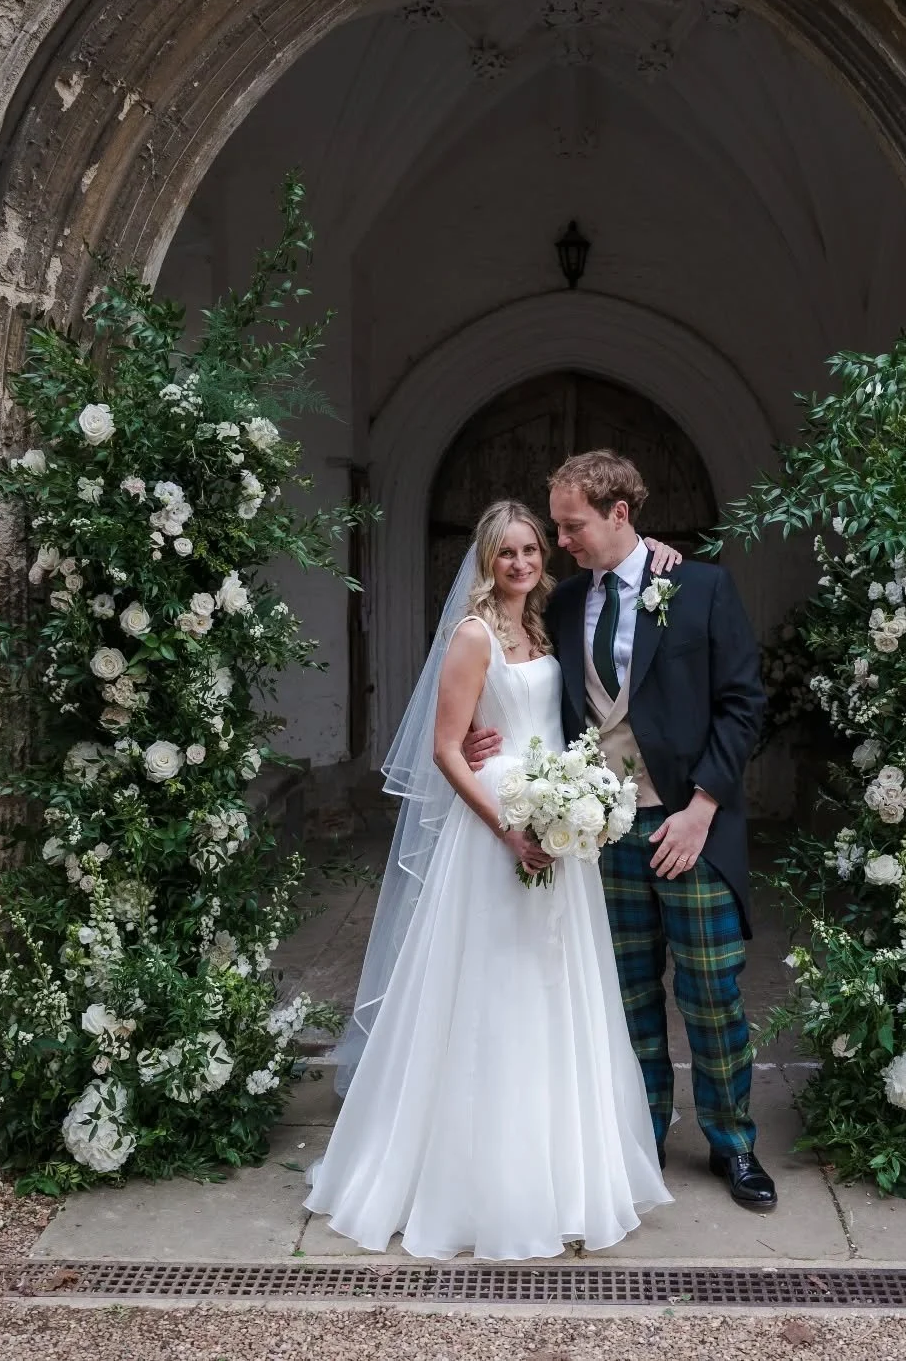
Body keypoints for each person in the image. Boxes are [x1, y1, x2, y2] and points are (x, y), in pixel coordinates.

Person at [303, 500, 677, 1260]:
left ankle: (564, 1172)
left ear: (546, 556)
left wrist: (573, 803)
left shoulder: (549, 624)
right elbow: (447, 748)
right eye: (506, 553)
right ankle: (475, 1179)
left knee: (556, 988)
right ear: (484, 560)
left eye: (532, 549)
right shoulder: (472, 635)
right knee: (488, 991)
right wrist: (508, 827)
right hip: (495, 830)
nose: (521, 563)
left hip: (559, 824)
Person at [465, 451, 773, 1210]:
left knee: (710, 994)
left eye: (571, 526)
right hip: (597, 833)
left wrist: (701, 807)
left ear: (619, 515)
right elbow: (516, 674)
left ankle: (734, 1145)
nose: (559, 540)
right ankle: (639, 1143)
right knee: (623, 994)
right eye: (558, 526)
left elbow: (744, 707)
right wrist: (480, 735)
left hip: (687, 827)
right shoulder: (563, 604)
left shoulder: (699, 587)